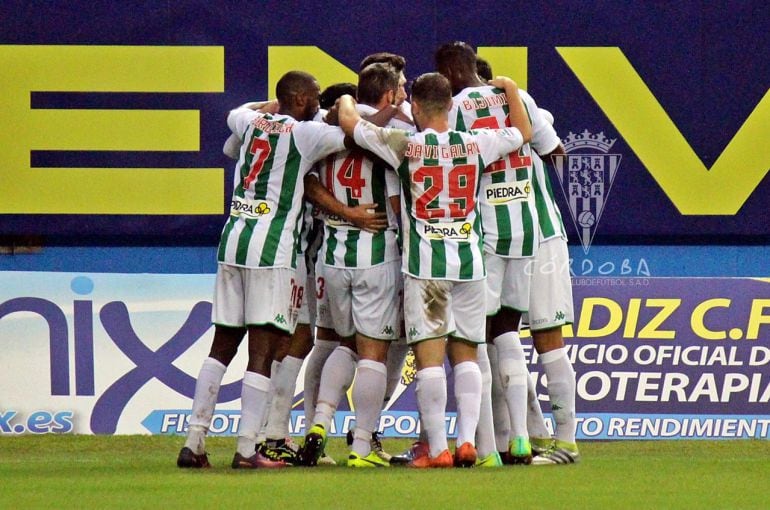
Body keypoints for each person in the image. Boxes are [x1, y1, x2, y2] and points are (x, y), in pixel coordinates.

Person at [176, 70, 374, 470]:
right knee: (263, 352)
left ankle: (194, 442)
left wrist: (266, 107)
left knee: (222, 345)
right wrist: (347, 107)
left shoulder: (248, 122)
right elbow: (355, 134)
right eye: (316, 97)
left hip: (232, 242)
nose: (320, 103)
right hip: (272, 251)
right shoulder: (304, 135)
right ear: (300, 99)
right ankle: (249, 448)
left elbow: (236, 111)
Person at [337, 71, 532, 468]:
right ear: (448, 106)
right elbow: (523, 132)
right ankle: (467, 443)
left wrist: (344, 98)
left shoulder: (404, 144)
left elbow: (350, 124)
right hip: (470, 263)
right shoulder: (477, 143)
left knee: (430, 360)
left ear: (419, 109)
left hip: (426, 267)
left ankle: (439, 449)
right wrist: (510, 89)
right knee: (467, 355)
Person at [299, 63, 411, 468]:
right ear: (387, 94)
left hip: (332, 256)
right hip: (377, 255)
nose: (403, 95)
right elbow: (400, 202)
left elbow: (308, 182)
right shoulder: (387, 136)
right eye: (399, 88)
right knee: (373, 354)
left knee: (344, 344)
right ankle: (363, 445)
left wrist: (343, 212)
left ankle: (319, 422)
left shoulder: (329, 134)